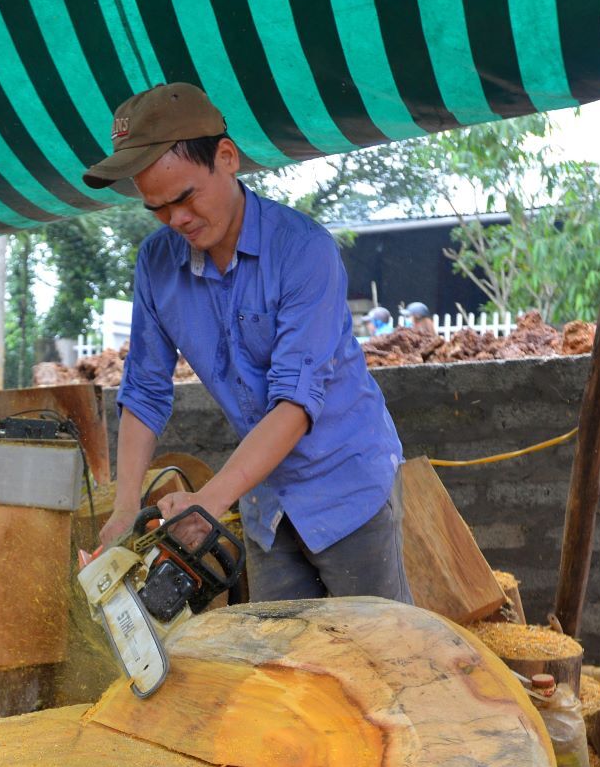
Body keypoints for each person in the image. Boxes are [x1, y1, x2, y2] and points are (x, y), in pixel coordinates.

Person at [82, 83, 411, 604]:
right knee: (280, 665)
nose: (177, 220)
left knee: (377, 660)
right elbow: (144, 391)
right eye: (158, 209)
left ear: (227, 158)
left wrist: (209, 500)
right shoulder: (158, 264)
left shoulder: (303, 251)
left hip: (346, 486)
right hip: (264, 502)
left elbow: (295, 404)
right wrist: (125, 511)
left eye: (185, 197)